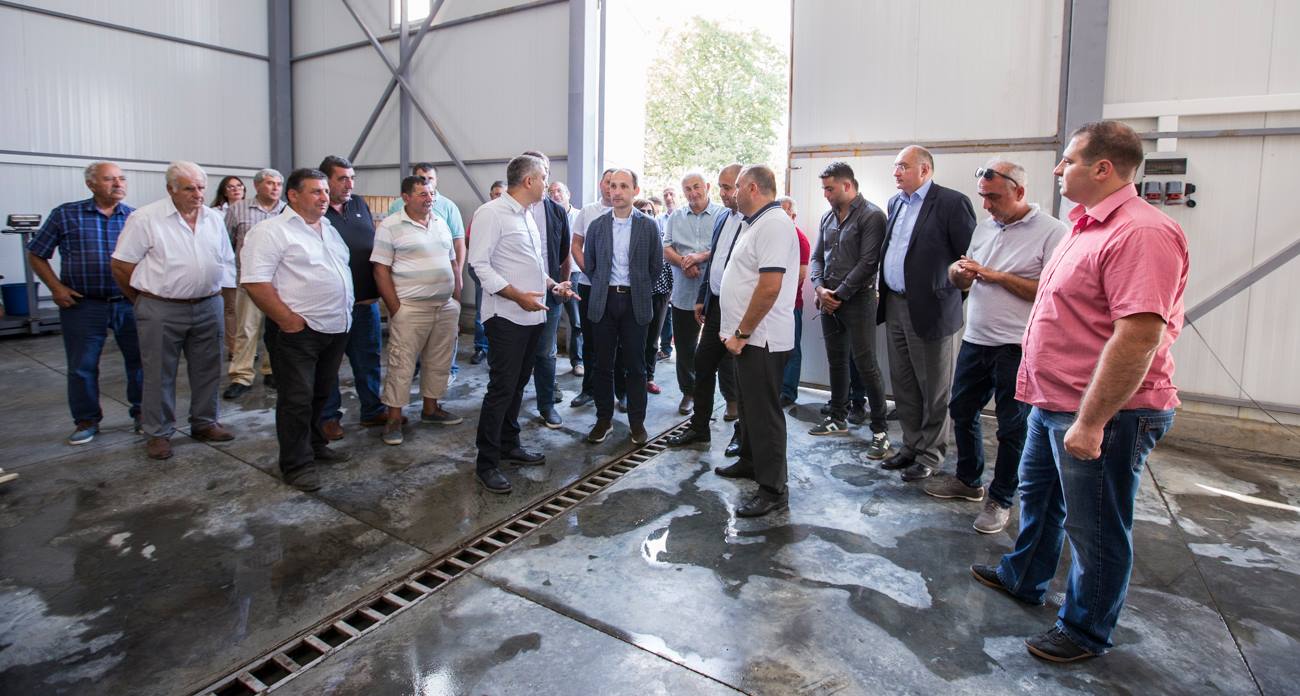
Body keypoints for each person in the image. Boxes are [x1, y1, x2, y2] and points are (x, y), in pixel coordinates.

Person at [972, 121, 1189, 663]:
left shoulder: (1140, 233)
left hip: (1104, 412)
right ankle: (1024, 575)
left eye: (1067, 160)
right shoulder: (1085, 226)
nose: (1058, 168)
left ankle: (1086, 628)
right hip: (1053, 401)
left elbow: (1138, 336)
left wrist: (1091, 422)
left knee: (1094, 527)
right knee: (1039, 500)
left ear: (1103, 168)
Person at [922, 159, 1066, 534]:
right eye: (983, 197)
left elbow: (1048, 291)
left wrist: (995, 275)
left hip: (1016, 345)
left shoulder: (1052, 232)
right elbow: (966, 277)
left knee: (1012, 426)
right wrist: (958, 273)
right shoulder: (985, 227)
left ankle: (1001, 498)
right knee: (961, 409)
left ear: (1020, 192)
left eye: (994, 198)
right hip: (977, 337)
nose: (986, 205)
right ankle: (969, 481)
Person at [109, 161, 238, 460]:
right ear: (171, 189)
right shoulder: (146, 218)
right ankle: (158, 433)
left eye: (201, 187)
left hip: (208, 304)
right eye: (189, 188)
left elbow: (226, 260)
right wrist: (142, 301)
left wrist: (224, 300)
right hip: (161, 307)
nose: (198, 194)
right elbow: (121, 265)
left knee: (208, 369)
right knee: (158, 373)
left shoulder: (213, 218)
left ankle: (205, 422)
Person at [241, 168, 355, 491]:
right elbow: (255, 282)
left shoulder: (328, 229)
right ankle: (296, 464)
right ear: (293, 195)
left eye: (325, 191)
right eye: (316, 191)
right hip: (298, 331)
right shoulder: (271, 232)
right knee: (297, 398)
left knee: (320, 393)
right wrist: (288, 320)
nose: (324, 197)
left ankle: (316, 445)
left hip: (335, 326)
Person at [468, 155, 576, 494]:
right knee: (501, 388)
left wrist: (552, 285)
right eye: (544, 177)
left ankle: (509, 444)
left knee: (517, 386)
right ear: (528, 181)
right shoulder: (491, 214)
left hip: (533, 315)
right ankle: (487, 462)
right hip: (506, 317)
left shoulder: (527, 214)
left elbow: (531, 265)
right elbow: (479, 266)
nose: (547, 183)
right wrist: (517, 296)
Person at [878, 146, 977, 481]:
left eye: (903, 166)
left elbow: (968, 261)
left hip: (933, 309)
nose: (896, 172)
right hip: (895, 304)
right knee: (904, 382)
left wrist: (947, 298)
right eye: (895, 166)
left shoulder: (951, 203)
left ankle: (931, 454)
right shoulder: (895, 203)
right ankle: (911, 445)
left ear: (925, 170)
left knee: (934, 388)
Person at [27, 161, 142, 445]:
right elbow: (37, 253)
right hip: (83, 304)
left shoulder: (135, 217)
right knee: (82, 365)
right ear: (91, 184)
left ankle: (143, 414)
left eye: (122, 178)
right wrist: (56, 288)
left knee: (140, 361)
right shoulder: (66, 215)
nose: (118, 184)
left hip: (128, 302)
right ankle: (87, 420)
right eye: (110, 179)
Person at [716, 165, 800, 517]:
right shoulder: (755, 223)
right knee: (750, 408)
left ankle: (773, 489)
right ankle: (750, 461)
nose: (732, 193)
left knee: (764, 414)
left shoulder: (775, 224)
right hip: (747, 338)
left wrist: (742, 333)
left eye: (736, 187)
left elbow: (769, 287)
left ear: (752, 188)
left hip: (761, 339)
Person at [808, 162, 893, 460]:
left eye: (830, 189)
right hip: (828, 299)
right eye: (824, 189)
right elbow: (817, 258)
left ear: (847, 186)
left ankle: (880, 431)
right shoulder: (827, 217)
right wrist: (820, 289)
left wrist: (839, 294)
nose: (826, 194)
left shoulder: (872, 216)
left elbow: (869, 263)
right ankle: (838, 417)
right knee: (837, 362)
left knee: (866, 364)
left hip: (858, 301)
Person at [374, 175, 463, 445]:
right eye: (423, 194)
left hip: (445, 307)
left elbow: (453, 264)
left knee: (439, 361)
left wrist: (456, 301)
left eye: (432, 194)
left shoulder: (440, 223)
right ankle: (394, 418)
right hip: (410, 308)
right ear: (406, 197)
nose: (430, 199)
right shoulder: (390, 226)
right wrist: (396, 309)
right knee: (401, 363)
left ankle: (431, 409)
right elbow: (380, 270)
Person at [665, 164, 743, 454]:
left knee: (731, 360)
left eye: (727, 187)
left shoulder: (742, 218)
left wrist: (698, 258)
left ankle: (736, 415)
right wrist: (689, 271)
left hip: (730, 303)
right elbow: (715, 260)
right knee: (696, 356)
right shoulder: (718, 217)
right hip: (701, 296)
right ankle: (698, 421)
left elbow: (727, 256)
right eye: (687, 189)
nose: (723, 192)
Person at [583, 174, 663, 445]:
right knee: (602, 364)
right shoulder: (597, 226)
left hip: (634, 302)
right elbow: (591, 265)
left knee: (636, 366)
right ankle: (603, 419)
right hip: (604, 302)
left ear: (635, 190)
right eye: (612, 186)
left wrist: (638, 287)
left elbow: (655, 266)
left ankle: (637, 423)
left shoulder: (648, 226)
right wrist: (603, 287)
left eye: (623, 186)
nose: (616, 191)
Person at [318, 155, 385, 439]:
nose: (349, 184)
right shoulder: (317, 210)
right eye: (342, 178)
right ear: (326, 181)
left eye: (352, 178)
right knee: (328, 365)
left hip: (364, 303)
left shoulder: (358, 204)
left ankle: (372, 410)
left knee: (368, 359)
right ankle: (328, 416)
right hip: (330, 306)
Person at [662, 172, 726, 417]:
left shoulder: (723, 215)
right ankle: (689, 392)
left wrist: (700, 257)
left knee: (721, 347)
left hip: (716, 293)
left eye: (696, 187)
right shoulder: (675, 216)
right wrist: (683, 262)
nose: (693, 193)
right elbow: (666, 247)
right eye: (687, 189)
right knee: (685, 348)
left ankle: (728, 395)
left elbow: (728, 248)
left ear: (707, 187)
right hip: (684, 292)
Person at [222, 168, 285, 399]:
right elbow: (226, 242)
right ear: (257, 185)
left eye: (278, 184)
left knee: (276, 330)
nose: (275, 188)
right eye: (269, 183)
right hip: (250, 281)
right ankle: (241, 376)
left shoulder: (287, 210)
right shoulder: (238, 209)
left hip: (280, 282)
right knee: (246, 330)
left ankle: (271, 370)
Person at [523, 151, 572, 429]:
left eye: (546, 173)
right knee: (515, 354)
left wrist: (561, 287)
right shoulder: (509, 210)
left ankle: (546, 405)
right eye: (538, 173)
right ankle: (509, 404)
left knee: (545, 352)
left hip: (550, 292)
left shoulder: (556, 211)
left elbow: (564, 253)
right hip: (514, 293)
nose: (544, 179)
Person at [569, 168, 616, 408]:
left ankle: (619, 391)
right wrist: (588, 270)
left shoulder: (628, 212)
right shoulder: (588, 212)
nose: (611, 188)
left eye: (617, 184)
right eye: (608, 182)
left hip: (618, 288)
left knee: (618, 342)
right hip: (590, 285)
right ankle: (588, 389)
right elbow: (576, 245)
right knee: (590, 340)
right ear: (601, 184)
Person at [776, 196, 810, 408]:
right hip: (772, 305)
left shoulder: (800, 239)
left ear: (793, 215)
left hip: (791, 304)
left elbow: (800, 275)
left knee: (792, 349)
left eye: (784, 212)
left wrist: (774, 289)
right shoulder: (774, 236)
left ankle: (788, 392)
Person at [635, 198, 671, 395]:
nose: (647, 215)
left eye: (650, 212)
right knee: (634, 338)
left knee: (652, 340)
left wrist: (669, 292)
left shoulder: (661, 234)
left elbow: (667, 265)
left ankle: (649, 377)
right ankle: (631, 377)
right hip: (635, 294)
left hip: (660, 294)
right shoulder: (629, 236)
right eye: (643, 211)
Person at [468, 180, 506, 365]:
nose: (498, 197)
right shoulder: (482, 213)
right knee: (481, 310)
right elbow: (468, 239)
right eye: (496, 194)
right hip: (483, 271)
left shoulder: (510, 215)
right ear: (491, 195)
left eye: (502, 194)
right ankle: (481, 347)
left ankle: (498, 349)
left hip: (503, 273)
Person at [549, 180, 584, 377]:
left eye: (559, 191)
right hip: (552, 274)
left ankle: (578, 361)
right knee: (549, 318)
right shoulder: (548, 215)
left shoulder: (579, 216)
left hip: (575, 274)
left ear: (568, 194)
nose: (555, 194)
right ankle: (547, 359)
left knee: (576, 321)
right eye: (551, 191)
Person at [212, 175, 247, 351]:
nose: (236, 189)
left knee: (247, 311)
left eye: (239, 185)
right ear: (224, 192)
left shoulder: (250, 210)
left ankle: (247, 346)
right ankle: (235, 348)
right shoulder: (215, 213)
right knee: (232, 309)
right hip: (228, 268)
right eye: (230, 187)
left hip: (248, 267)